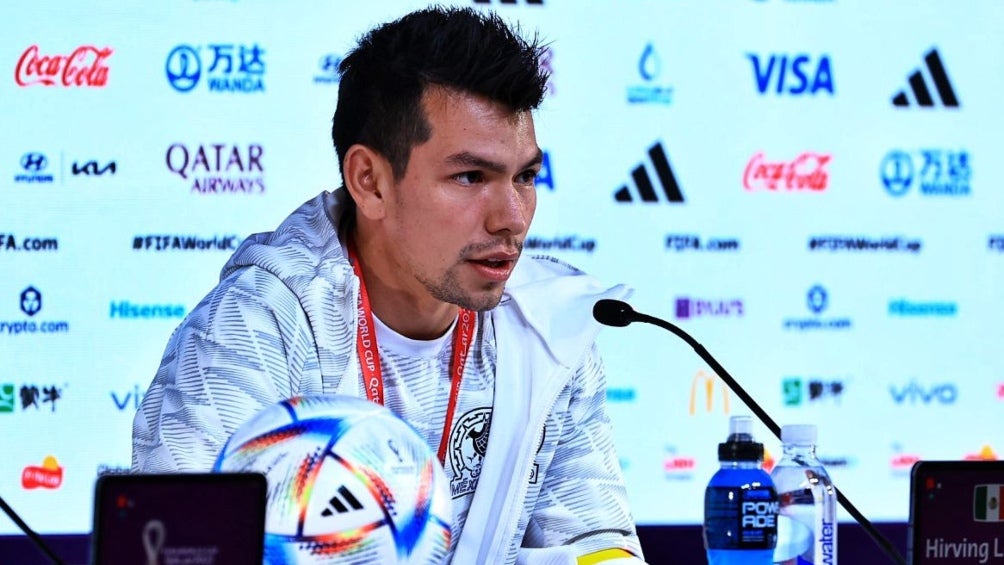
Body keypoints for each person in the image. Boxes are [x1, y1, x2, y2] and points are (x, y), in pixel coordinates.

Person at [133, 6, 647, 564]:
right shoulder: (255, 324)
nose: (512, 218)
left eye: (525, 176)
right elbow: (181, 549)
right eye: (470, 176)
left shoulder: (549, 326)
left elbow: (597, 546)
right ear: (370, 181)